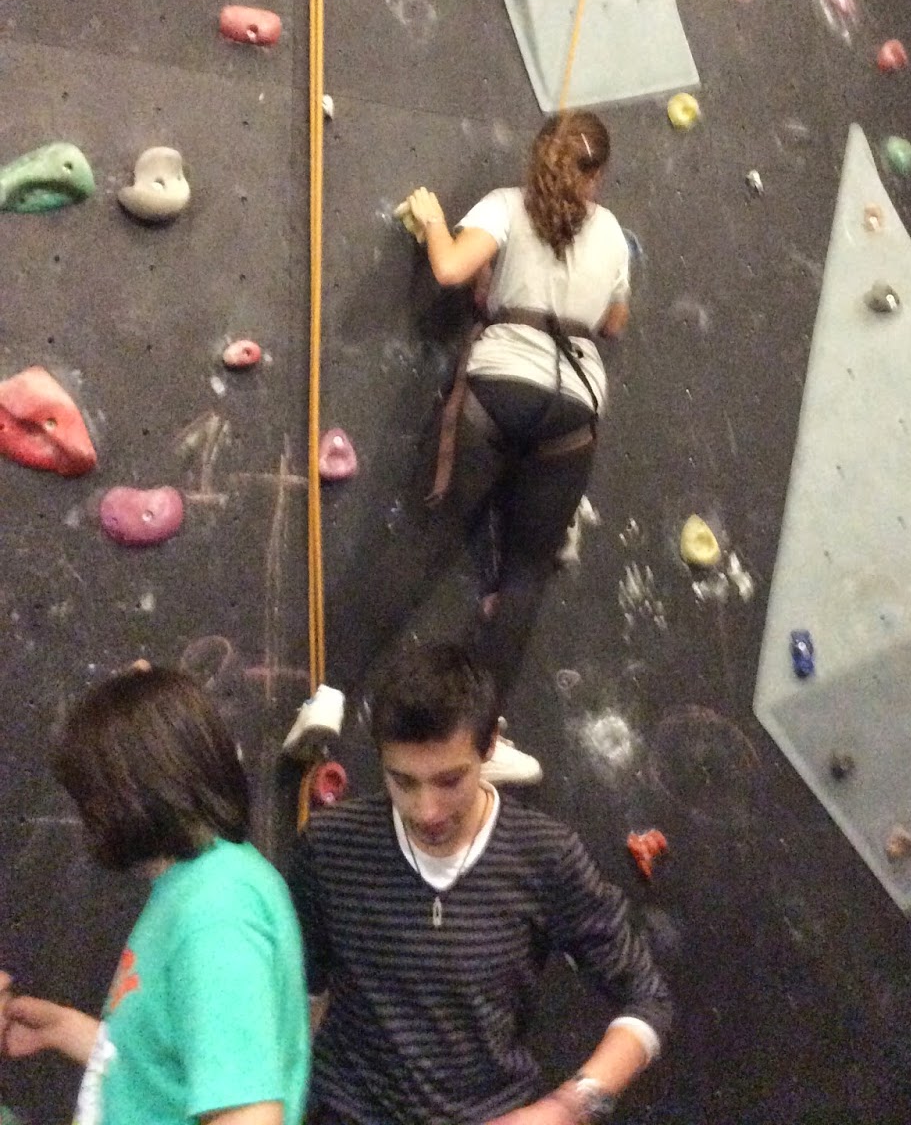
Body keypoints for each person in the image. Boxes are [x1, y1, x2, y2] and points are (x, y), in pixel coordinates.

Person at [286, 111, 631, 784]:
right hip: (574, 411)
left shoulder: (507, 206)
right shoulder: (613, 233)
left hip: (498, 384)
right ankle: (486, 742)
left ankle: (328, 697)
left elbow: (447, 268)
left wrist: (434, 221)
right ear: (599, 175)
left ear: (539, 157)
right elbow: (612, 322)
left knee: (418, 540)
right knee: (526, 574)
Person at [290, 642, 669, 1125]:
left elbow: (647, 998)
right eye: (403, 781)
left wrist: (564, 1108)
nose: (426, 810)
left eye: (449, 781)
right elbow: (303, 991)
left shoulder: (545, 856)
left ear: (489, 747)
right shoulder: (330, 848)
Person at [0, 667, 310, 1125]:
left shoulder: (215, 908)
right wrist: (62, 1029)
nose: (87, 820)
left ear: (125, 791)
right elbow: (165, 1070)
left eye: (89, 796)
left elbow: (248, 1115)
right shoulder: (195, 886)